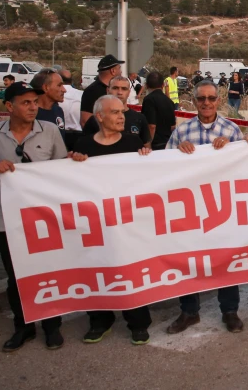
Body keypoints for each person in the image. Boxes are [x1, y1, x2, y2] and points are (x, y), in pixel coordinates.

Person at [0, 81, 68, 351]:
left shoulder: (49, 131)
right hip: (8, 219)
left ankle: (52, 326)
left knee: (48, 272)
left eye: (35, 102)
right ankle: (23, 327)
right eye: (26, 103)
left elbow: (62, 170)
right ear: (10, 106)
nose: (32, 107)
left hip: (45, 219)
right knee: (16, 277)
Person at [165, 81, 248, 335]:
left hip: (222, 208)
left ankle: (229, 311)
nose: (206, 103)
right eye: (201, 98)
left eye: (211, 98)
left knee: (225, 258)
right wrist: (177, 154)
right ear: (194, 102)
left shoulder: (231, 129)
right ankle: (189, 311)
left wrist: (244, 143)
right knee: (189, 259)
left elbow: (246, 164)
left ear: (219, 100)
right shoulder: (181, 133)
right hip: (191, 208)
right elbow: (163, 170)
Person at [71, 95, 154, 345]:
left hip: (127, 221)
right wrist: (72, 163)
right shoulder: (83, 145)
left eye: (122, 112)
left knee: (130, 269)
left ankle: (138, 323)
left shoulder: (132, 142)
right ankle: (100, 320)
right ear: (99, 117)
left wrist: (146, 156)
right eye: (115, 112)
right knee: (97, 268)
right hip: (95, 223)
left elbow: (146, 177)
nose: (121, 117)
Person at [81, 76, 152, 147]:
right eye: (115, 88)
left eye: (124, 89)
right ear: (108, 90)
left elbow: (147, 147)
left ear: (129, 92)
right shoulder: (96, 119)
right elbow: (84, 146)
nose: (120, 92)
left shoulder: (139, 118)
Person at [80, 54, 123, 127]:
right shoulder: (91, 92)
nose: (121, 72)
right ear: (113, 71)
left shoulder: (116, 90)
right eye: (119, 68)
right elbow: (85, 121)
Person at [141, 71, 176, 150]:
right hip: (167, 143)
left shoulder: (149, 100)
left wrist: (148, 144)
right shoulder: (169, 101)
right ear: (163, 85)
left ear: (146, 85)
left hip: (155, 144)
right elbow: (172, 126)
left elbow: (151, 126)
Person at [29, 69, 67, 139]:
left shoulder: (58, 110)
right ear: (46, 87)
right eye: (59, 85)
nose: (64, 90)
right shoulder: (31, 114)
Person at [58, 70, 83, 150]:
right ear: (71, 80)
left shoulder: (54, 95)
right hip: (79, 135)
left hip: (61, 135)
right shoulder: (81, 94)